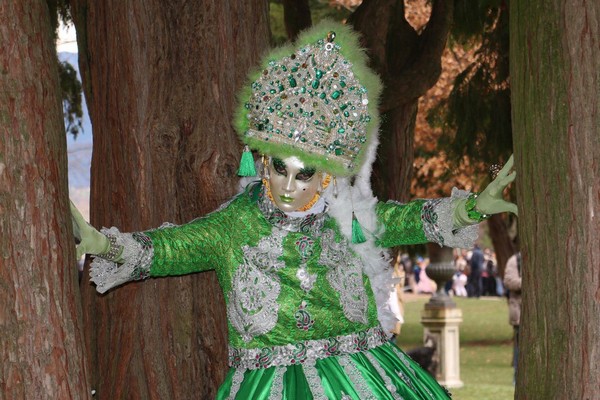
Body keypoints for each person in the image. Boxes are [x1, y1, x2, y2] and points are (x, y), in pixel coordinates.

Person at [71, 21, 517, 399]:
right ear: (262, 161)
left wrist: (471, 209)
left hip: (361, 380)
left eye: (303, 175)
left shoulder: (348, 216)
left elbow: (410, 219)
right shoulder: (236, 224)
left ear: (326, 176)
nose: (287, 185)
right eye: (278, 168)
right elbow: (169, 249)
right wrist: (105, 244)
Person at [503, 252, 522, 383]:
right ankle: (517, 378)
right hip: (519, 313)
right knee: (519, 347)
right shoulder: (515, 260)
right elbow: (509, 282)